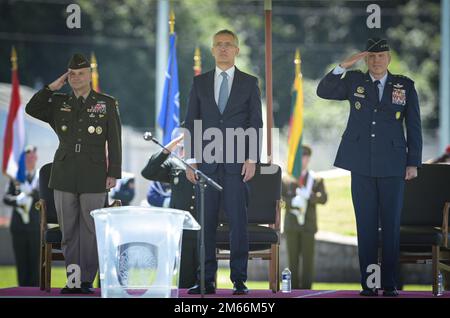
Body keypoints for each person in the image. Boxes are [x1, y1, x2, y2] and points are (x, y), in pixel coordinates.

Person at [317, 38, 422, 297]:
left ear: (389, 59)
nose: (376, 61)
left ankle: (389, 284)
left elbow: (414, 126)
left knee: (390, 226)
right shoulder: (354, 81)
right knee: (364, 226)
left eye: (381, 56)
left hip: (393, 165)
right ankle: (368, 284)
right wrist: (343, 65)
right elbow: (323, 91)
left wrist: (413, 162)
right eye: (372, 57)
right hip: (361, 164)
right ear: (365, 60)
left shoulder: (404, 85)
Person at [25, 53, 122, 294]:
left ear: (90, 75)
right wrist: (52, 87)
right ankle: (73, 280)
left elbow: (115, 141)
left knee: (90, 229)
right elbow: (32, 108)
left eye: (81, 74)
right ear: (67, 77)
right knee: (69, 230)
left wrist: (113, 173)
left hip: (94, 173)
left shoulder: (106, 103)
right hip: (65, 172)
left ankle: (86, 280)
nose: (77, 78)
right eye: (72, 75)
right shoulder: (58, 102)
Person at [184, 29, 263, 295]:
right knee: (205, 225)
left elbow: (255, 123)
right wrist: (191, 160)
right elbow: (191, 122)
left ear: (237, 50)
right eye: (218, 45)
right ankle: (205, 280)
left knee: (238, 225)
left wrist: (252, 158)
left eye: (228, 45)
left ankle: (239, 281)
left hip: (237, 166)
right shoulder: (200, 83)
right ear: (212, 50)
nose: (223, 49)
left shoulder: (249, 83)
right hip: (206, 167)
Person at [141, 132, 199, 288]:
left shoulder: (207, 164)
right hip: (182, 228)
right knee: (185, 283)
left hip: (202, 226)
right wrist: (171, 146)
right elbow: (148, 172)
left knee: (205, 283)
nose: (184, 150)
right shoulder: (174, 164)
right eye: (182, 147)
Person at [282, 145, 327, 290]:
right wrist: (291, 202)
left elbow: (324, 198)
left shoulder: (315, 179)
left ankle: (307, 290)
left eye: (306, 157)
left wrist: (311, 196)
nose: (304, 160)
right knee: (292, 261)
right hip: (292, 224)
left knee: (308, 261)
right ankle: (293, 290)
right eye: (301, 156)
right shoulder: (287, 179)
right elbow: (280, 200)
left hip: (308, 225)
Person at [3, 145, 40, 286]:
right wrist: (17, 200)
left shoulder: (39, 177)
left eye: (32, 155)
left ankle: (35, 292)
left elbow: (44, 196)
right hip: (18, 228)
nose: (30, 158)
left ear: (36, 158)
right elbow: (6, 198)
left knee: (35, 262)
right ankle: (22, 290)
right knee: (21, 262)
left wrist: (30, 194)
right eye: (27, 155)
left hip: (36, 227)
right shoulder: (15, 178)